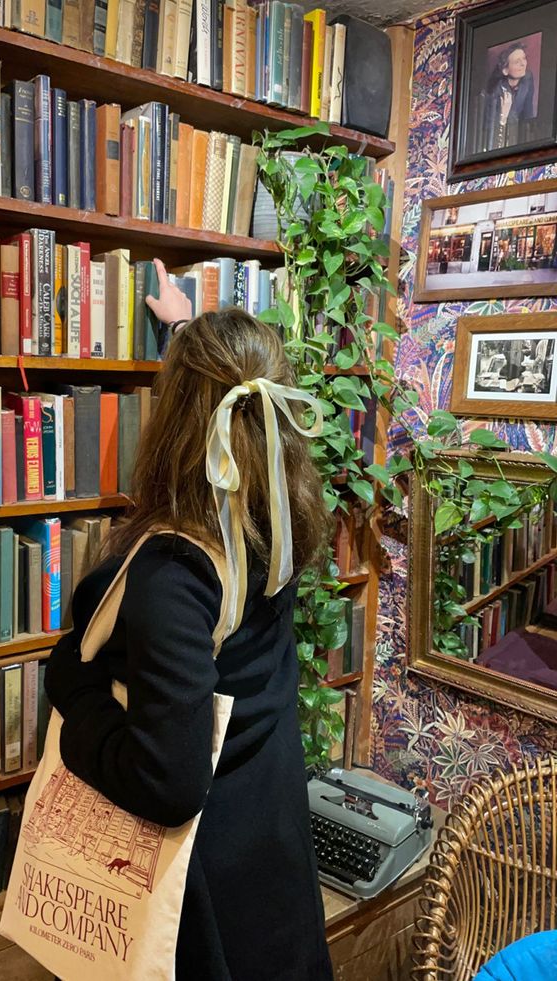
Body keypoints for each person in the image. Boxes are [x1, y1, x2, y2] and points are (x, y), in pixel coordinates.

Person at [45, 257, 335, 981]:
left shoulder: (172, 574)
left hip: (202, 898)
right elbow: (234, 394)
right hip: (269, 845)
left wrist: (75, 698)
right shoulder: (282, 519)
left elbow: (168, 785)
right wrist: (183, 323)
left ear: (174, 415)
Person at [481, 42, 536, 152]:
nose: (523, 64)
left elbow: (528, 112)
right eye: (517, 62)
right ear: (505, 70)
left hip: (519, 138)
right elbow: (490, 130)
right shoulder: (495, 92)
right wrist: (504, 114)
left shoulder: (528, 78)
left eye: (524, 58)